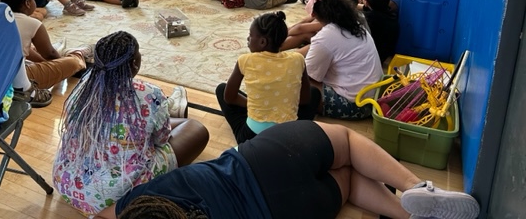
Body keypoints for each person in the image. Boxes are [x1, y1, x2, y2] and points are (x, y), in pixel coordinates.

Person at [98, 120, 481, 219]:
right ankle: (416, 187)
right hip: (259, 163)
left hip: (285, 212)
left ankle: (406, 214)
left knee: (346, 181)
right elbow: (102, 215)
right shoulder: (138, 204)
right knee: (346, 145)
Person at [52, 31, 210, 217]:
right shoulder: (149, 94)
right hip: (117, 199)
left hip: (67, 184)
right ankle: (167, 111)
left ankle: (165, 113)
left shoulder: (84, 84)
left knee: (141, 126)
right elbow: (161, 140)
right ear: (135, 63)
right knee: (196, 128)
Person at [215, 11, 318, 144]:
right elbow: (304, 100)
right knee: (314, 92)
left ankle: (252, 143)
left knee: (221, 89)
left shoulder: (245, 60)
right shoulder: (298, 59)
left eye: (250, 35)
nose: (248, 39)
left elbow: (229, 97)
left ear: (262, 42)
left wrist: (258, 106)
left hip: (252, 137)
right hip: (289, 135)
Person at [0, 0, 94, 92]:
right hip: (15, 81)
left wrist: (44, 62)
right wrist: (60, 64)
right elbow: (50, 54)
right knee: (73, 63)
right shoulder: (31, 23)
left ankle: (63, 53)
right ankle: (78, 53)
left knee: (30, 47)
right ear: (27, 3)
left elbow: (25, 49)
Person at [305, 0, 383, 119]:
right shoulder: (356, 25)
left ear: (314, 14)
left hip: (353, 105)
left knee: (296, 81)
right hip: (373, 99)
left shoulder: (326, 36)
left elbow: (308, 74)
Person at [361, 0, 400, 64]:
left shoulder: (366, 19)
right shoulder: (391, 15)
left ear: (366, 2)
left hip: (368, 59)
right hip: (382, 56)